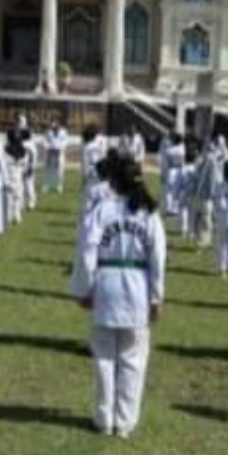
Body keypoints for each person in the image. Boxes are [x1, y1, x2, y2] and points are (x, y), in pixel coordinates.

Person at [71, 156, 165, 439]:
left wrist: (84, 288)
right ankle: (124, 421)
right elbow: (158, 258)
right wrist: (157, 297)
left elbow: (87, 250)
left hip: (107, 285)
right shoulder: (149, 214)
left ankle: (104, 418)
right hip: (138, 286)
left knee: (104, 357)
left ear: (113, 182)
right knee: (133, 358)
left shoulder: (103, 211)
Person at [43, 122, 67, 194]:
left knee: (60, 170)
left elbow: (65, 141)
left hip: (60, 153)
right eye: (53, 128)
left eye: (56, 128)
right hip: (50, 153)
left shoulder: (63, 132)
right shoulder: (49, 132)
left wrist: (60, 148)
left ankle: (59, 186)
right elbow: (45, 141)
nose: (55, 129)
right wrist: (48, 148)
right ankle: (46, 185)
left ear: (59, 127)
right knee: (49, 170)